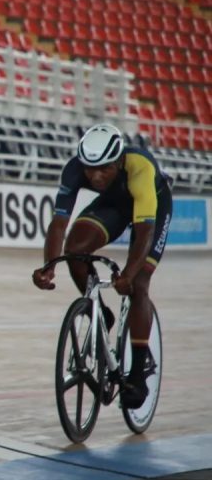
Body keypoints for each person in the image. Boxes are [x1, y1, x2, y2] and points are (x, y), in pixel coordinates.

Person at [32, 124, 172, 409]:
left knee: (139, 284)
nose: (95, 176)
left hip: (153, 208)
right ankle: (102, 314)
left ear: (119, 161)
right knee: (74, 250)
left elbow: (144, 231)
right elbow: (59, 224)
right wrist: (49, 266)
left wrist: (129, 275)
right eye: (89, 169)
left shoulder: (139, 166)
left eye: (104, 169)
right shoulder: (74, 169)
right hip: (114, 205)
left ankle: (137, 371)